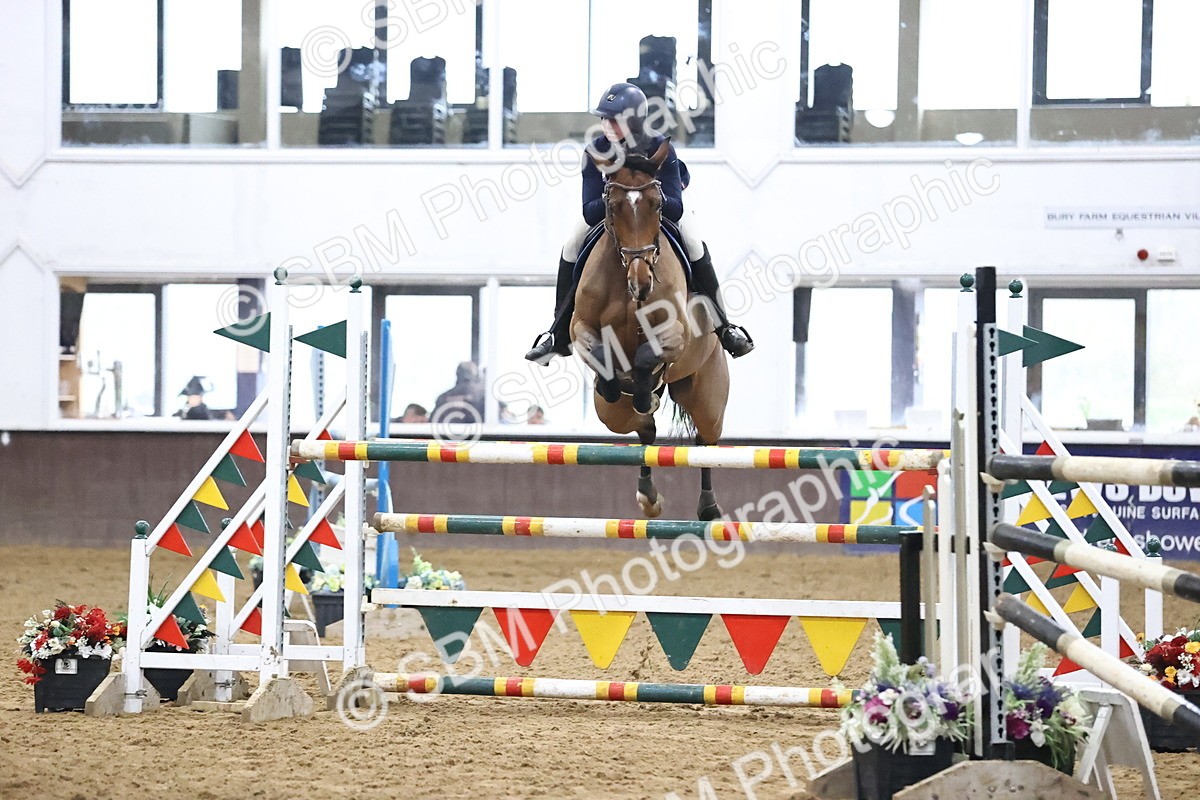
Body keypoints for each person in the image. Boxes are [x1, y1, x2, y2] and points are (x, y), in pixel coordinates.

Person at [525, 82, 754, 364]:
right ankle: (557, 334)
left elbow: (676, 206)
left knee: (694, 242)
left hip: (657, 211)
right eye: (603, 119)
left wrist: (648, 199)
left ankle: (725, 327)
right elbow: (589, 211)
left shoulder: (659, 147)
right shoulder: (595, 151)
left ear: (633, 121)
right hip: (614, 213)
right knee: (571, 245)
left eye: (614, 120)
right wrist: (617, 200)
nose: (606, 125)